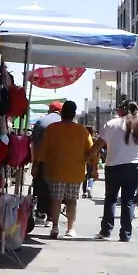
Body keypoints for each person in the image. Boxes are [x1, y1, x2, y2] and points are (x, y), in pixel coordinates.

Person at [89, 100, 138, 242]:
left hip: (114, 166)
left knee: (111, 198)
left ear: (122, 110)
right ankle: (125, 234)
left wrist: (86, 157)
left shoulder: (112, 124)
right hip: (135, 167)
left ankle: (106, 231)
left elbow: (98, 144)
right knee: (128, 200)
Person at [37, 101, 92, 239]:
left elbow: (42, 150)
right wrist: (94, 166)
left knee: (56, 199)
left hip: (56, 170)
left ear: (61, 113)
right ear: (74, 114)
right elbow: (91, 150)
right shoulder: (82, 130)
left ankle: (54, 227)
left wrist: (36, 166)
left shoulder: (52, 129)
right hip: (76, 171)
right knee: (72, 201)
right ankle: (70, 228)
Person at [30, 101, 64, 219]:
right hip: (59, 161)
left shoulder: (40, 121)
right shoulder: (63, 122)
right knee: (56, 188)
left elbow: (34, 143)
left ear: (49, 110)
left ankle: (41, 211)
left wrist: (34, 163)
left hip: (42, 159)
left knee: (41, 186)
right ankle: (52, 215)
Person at [83, 125, 99, 199]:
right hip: (93, 159)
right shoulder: (95, 139)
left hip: (85, 160)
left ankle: (84, 192)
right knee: (92, 176)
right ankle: (89, 187)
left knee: (85, 176)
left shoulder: (83, 139)